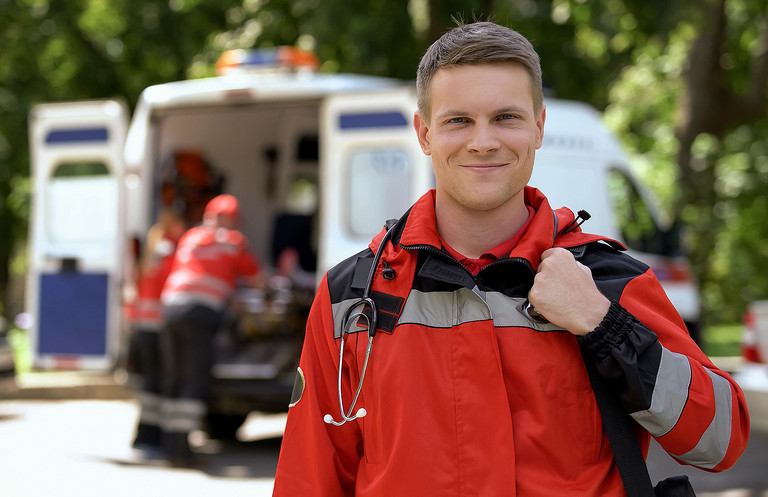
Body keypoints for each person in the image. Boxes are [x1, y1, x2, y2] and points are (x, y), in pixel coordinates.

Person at [272, 21, 750, 496]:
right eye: (458, 120)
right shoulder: (352, 296)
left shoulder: (606, 281)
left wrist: (603, 325)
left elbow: (718, 442)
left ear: (538, 127)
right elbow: (307, 479)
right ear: (423, 134)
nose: (483, 141)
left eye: (506, 117)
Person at [159, 193, 263, 466]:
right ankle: (182, 453)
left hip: (170, 309)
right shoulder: (233, 242)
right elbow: (258, 280)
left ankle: (170, 446)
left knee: (175, 378)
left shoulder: (191, 236)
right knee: (194, 380)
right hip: (200, 314)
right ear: (226, 218)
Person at [128, 208, 186, 452]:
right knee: (163, 382)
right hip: (160, 326)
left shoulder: (153, 250)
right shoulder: (170, 249)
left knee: (150, 383)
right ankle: (156, 437)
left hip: (143, 325)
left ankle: (146, 435)